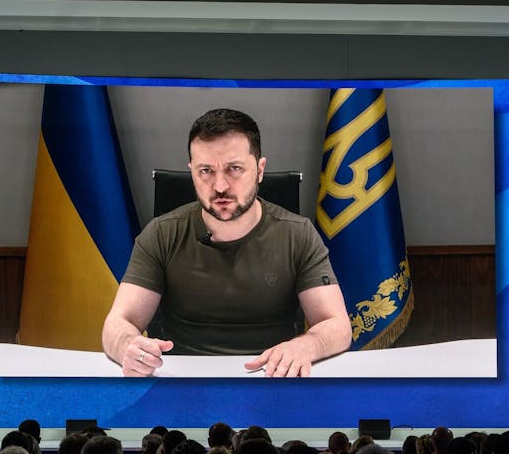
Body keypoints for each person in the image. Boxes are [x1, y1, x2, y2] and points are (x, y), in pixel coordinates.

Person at [101, 108, 351, 377]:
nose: (220, 186)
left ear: (260, 170)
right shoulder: (161, 234)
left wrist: (306, 346)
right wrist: (128, 345)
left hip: (273, 376)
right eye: (205, 170)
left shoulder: (298, 234)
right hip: (181, 381)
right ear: (192, 172)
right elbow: (118, 322)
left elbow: (336, 325)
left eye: (234, 169)